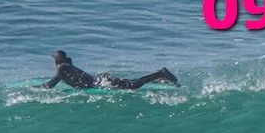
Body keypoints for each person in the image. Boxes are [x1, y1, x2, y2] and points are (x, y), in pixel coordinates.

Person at [44, 51, 178, 91]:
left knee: (131, 86)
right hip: (100, 79)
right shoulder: (67, 66)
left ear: (56, 61)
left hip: (100, 82)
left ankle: (161, 73)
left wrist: (31, 89)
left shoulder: (62, 68)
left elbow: (51, 84)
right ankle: (158, 78)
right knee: (130, 83)